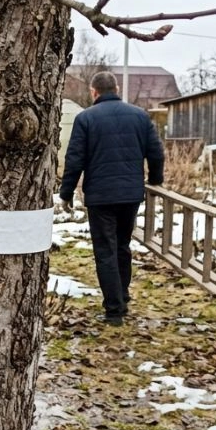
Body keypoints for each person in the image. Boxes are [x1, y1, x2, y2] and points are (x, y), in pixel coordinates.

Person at [59, 71, 164, 327]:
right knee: (122, 246)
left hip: (100, 196)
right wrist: (155, 181)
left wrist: (66, 193)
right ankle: (123, 296)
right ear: (116, 88)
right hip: (130, 194)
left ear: (94, 92)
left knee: (105, 250)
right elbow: (156, 152)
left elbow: (75, 159)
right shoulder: (140, 115)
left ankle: (114, 310)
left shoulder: (85, 119)